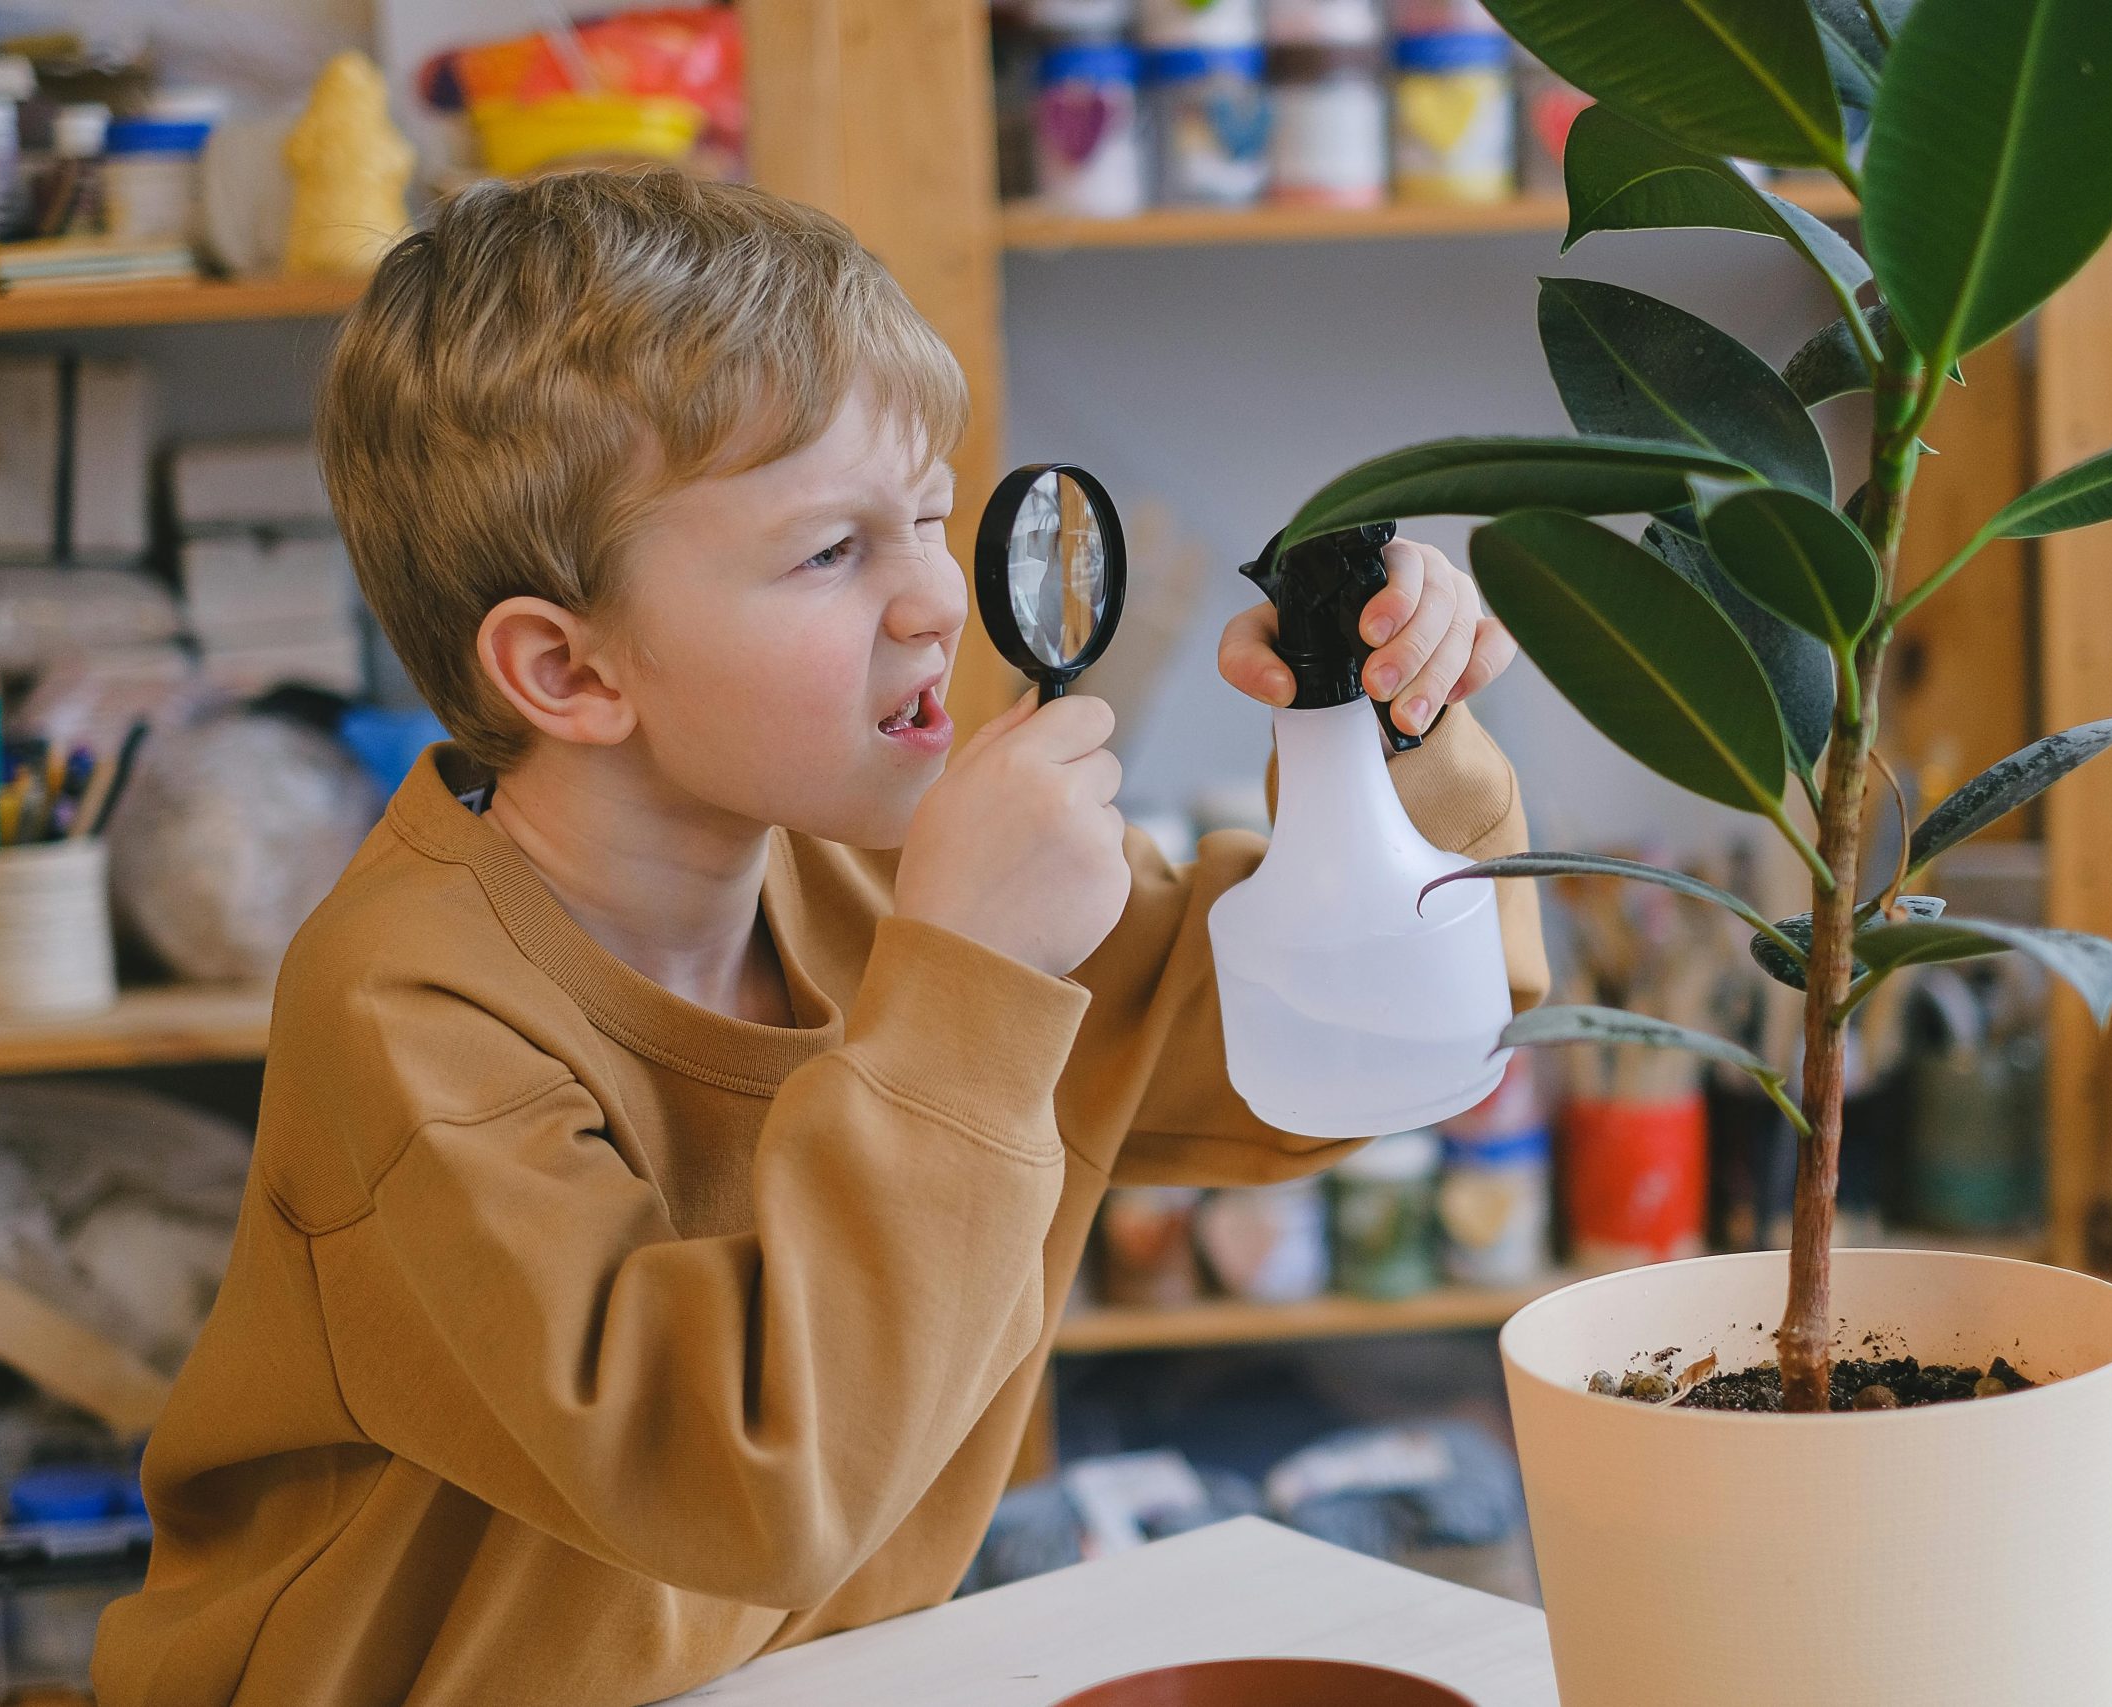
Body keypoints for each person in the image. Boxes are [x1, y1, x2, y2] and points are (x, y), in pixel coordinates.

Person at [93, 166, 1546, 1707]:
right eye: (830, 553)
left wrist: (1373, 741)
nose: (937, 597)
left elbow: (1350, 1064)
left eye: (930, 513)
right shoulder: (408, 1010)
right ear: (570, 675)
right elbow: (746, 1484)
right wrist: (969, 984)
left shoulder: (881, 868)